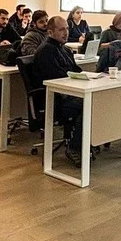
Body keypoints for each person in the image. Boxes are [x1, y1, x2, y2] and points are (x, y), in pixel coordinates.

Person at [34, 16, 84, 163]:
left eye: (67, 29)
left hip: (67, 95)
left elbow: (76, 71)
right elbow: (57, 77)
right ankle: (75, 146)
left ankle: (83, 141)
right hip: (54, 100)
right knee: (87, 105)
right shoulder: (46, 51)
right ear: (50, 32)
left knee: (94, 100)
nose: (66, 32)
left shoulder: (66, 50)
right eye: (61, 29)